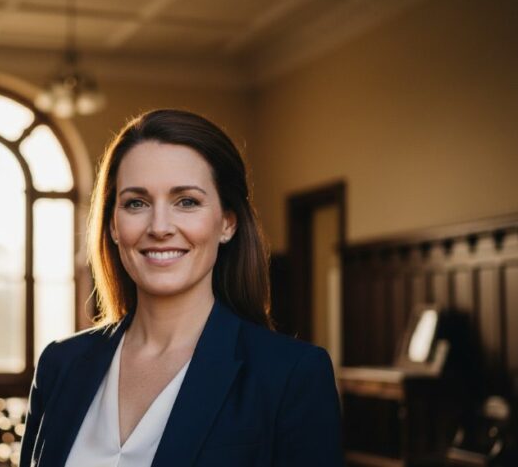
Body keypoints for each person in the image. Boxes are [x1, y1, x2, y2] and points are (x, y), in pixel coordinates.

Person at [19, 109, 343, 466]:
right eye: (136, 203)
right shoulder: (59, 365)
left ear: (227, 223)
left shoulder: (291, 375)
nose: (159, 226)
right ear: (113, 225)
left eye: (186, 201)